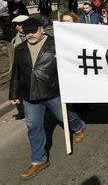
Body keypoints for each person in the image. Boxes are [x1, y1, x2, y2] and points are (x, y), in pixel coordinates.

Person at [9, 18, 86, 180]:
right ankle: (39, 160)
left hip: (52, 91)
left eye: (33, 31)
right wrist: (14, 94)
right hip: (30, 95)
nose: (30, 35)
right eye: (26, 32)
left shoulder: (56, 44)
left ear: (41, 29)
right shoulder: (20, 49)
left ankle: (78, 126)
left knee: (64, 117)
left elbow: (74, 62)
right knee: (33, 127)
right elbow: (16, 73)